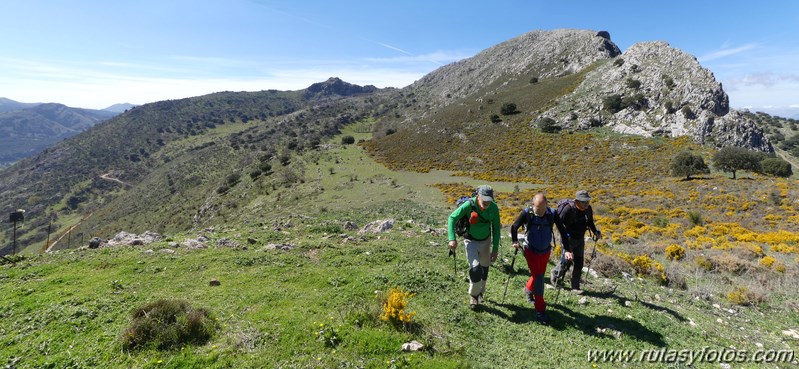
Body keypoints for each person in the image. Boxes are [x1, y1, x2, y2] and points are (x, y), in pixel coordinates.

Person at [510, 193, 568, 324]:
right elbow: (514, 227)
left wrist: (568, 250)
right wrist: (514, 241)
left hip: (545, 250)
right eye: (538, 209)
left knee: (538, 275)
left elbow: (563, 231)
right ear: (532, 205)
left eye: (543, 209)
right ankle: (540, 310)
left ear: (546, 205)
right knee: (540, 278)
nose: (541, 212)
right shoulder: (527, 213)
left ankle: (528, 289)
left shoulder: (552, 214)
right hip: (530, 250)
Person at [447, 185, 501, 309]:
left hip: (486, 241)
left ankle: (481, 292)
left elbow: (496, 228)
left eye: (489, 200)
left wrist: (495, 249)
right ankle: (474, 295)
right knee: (475, 269)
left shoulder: (493, 208)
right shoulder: (469, 205)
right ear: (478, 196)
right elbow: (452, 218)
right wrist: (451, 238)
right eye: (484, 200)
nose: (487, 202)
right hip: (470, 241)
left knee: (485, 270)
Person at [551, 190, 601, 294]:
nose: (587, 204)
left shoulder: (588, 209)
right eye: (584, 202)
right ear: (577, 201)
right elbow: (559, 223)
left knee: (579, 263)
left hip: (580, 239)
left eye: (588, 201)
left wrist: (595, 232)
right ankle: (555, 274)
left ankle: (575, 287)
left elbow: (590, 222)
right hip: (568, 239)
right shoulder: (568, 209)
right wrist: (564, 239)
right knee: (566, 262)